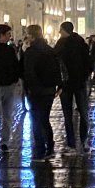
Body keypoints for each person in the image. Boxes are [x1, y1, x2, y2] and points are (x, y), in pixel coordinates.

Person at [21, 25, 61, 164]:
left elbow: (28, 72)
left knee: (36, 120)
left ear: (31, 36)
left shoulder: (30, 52)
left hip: (36, 91)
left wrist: (28, 88)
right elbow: (58, 68)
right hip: (49, 90)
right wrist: (59, 85)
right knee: (44, 119)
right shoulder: (50, 50)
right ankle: (50, 146)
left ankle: (39, 150)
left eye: (27, 34)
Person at [55, 22, 93, 155]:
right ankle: (84, 141)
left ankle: (71, 144)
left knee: (68, 114)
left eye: (60, 30)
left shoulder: (60, 44)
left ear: (65, 30)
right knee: (83, 113)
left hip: (65, 84)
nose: (59, 32)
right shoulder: (81, 42)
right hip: (80, 83)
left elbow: (56, 64)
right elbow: (89, 61)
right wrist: (85, 75)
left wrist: (59, 82)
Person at [0, 24, 24, 155]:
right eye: (9, 34)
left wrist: (16, 80)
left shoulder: (10, 49)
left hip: (9, 86)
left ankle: (5, 141)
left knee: (7, 116)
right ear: (2, 34)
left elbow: (15, 65)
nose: (10, 36)